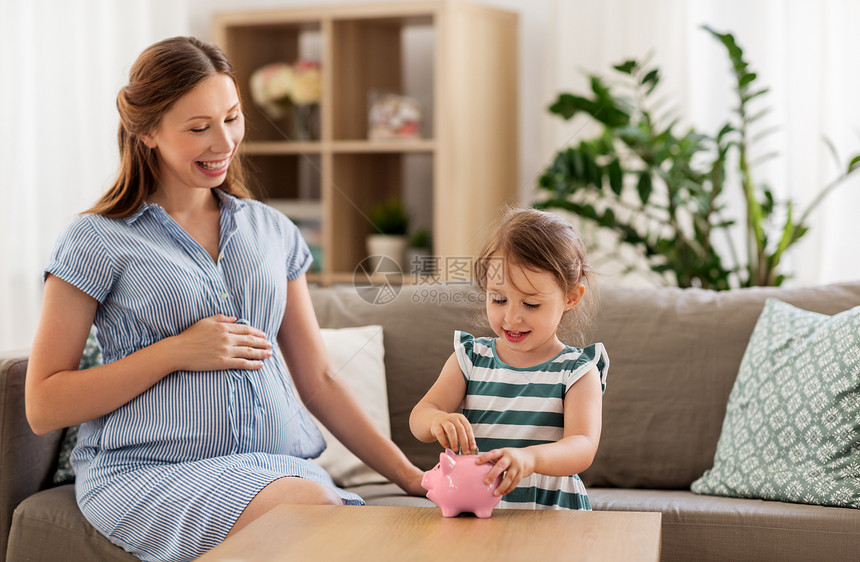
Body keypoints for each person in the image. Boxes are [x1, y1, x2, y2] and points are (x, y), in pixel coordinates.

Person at [25, 36, 424, 561]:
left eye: (231, 118)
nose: (224, 142)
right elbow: (43, 404)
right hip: (149, 472)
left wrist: (413, 478)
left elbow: (320, 381)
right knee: (310, 512)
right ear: (146, 132)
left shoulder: (272, 230)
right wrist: (174, 352)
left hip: (275, 466)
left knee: (319, 511)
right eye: (198, 128)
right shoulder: (96, 239)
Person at [409, 207, 609, 510]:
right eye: (498, 299)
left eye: (531, 304)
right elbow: (420, 416)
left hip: (553, 515)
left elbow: (582, 447)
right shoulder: (471, 358)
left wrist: (531, 458)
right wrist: (437, 419)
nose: (512, 317)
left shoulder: (577, 371)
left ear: (571, 297)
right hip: (477, 510)